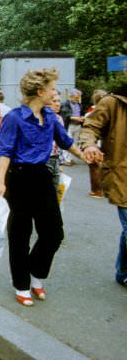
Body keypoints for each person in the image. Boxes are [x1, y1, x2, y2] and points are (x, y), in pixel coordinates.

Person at [0, 68, 88, 307]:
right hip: (19, 177)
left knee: (54, 232)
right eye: (53, 89)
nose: (55, 93)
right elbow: (4, 152)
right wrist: (1, 182)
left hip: (42, 176)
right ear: (40, 91)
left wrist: (87, 156)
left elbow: (66, 142)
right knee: (20, 234)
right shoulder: (15, 117)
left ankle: (36, 274)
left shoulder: (51, 117)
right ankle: (21, 284)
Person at [79, 74, 127, 287]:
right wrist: (89, 145)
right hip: (122, 174)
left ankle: (123, 271)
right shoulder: (112, 103)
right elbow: (90, 126)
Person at [83, 90, 108, 199]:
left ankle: (97, 190)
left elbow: (87, 126)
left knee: (94, 167)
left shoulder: (92, 112)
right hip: (105, 143)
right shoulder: (110, 111)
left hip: (94, 143)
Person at [59, 89, 84, 162]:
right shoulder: (65, 104)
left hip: (77, 125)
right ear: (71, 96)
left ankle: (70, 158)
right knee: (68, 142)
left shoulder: (79, 104)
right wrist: (76, 118)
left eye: (78, 97)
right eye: (76, 97)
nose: (77, 99)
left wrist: (82, 117)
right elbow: (66, 115)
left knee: (75, 142)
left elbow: (81, 113)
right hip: (69, 125)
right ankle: (66, 159)